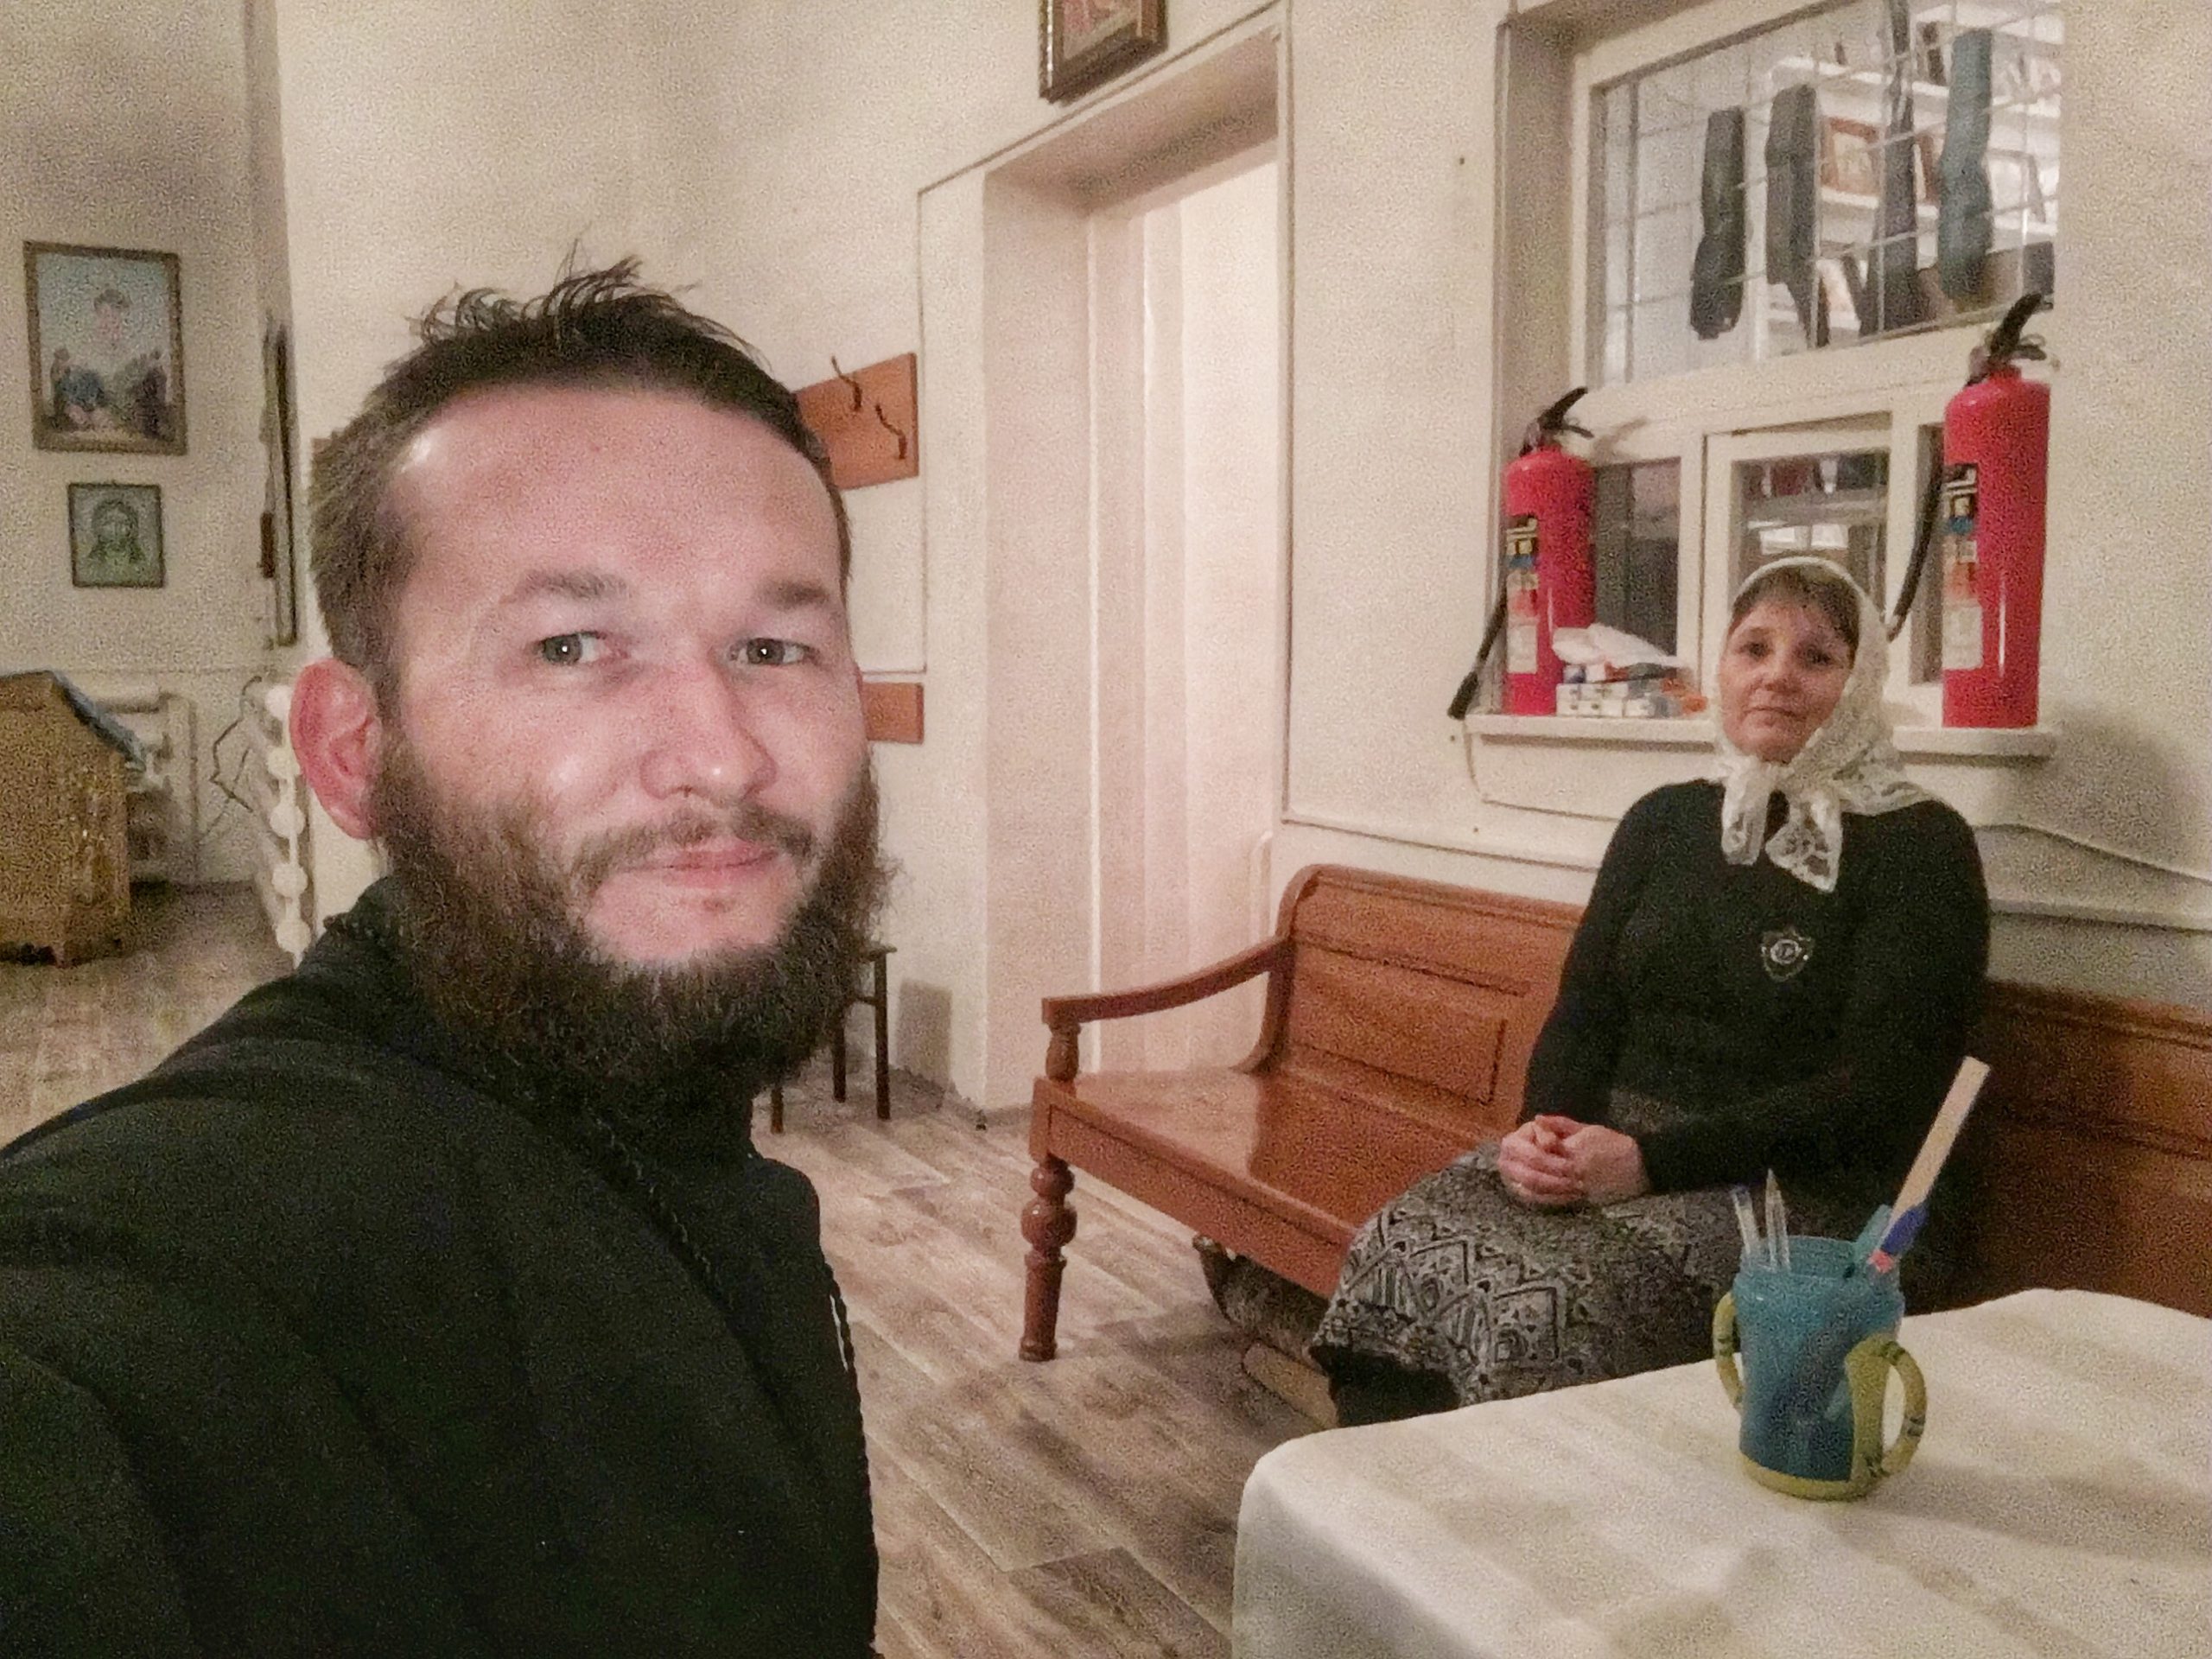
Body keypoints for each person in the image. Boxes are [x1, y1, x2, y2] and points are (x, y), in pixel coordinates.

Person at [0, 264, 889, 1654]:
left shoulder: (684, 1129)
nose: (722, 755)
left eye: (775, 646)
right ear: (353, 750)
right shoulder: (184, 1257)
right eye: (573, 644)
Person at [1311, 556, 1988, 1425]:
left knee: (1548, 1309)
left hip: (1812, 1191)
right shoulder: (1663, 820)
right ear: (1723, 670)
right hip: (1617, 1145)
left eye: (1816, 657)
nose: (1777, 674)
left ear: (1859, 688)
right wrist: (1543, 1131)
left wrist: (1650, 1164)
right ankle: (1393, 1497)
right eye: (1754, 648)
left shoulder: (1920, 846)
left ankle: (1538, 1512)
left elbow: (1882, 1090)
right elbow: (1583, 1012)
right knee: (1398, 1240)